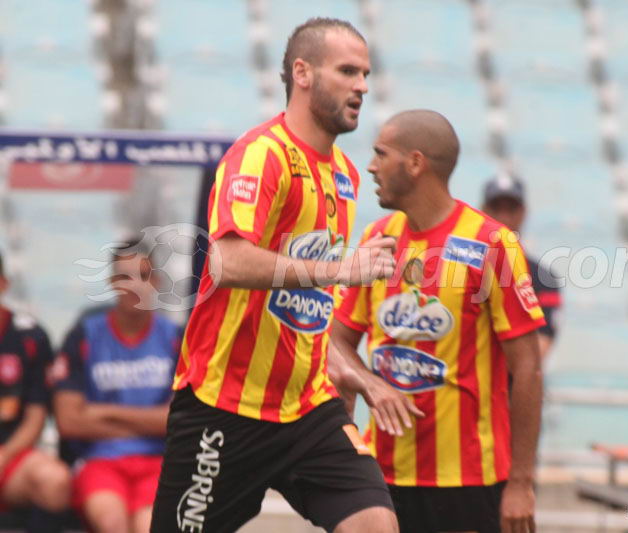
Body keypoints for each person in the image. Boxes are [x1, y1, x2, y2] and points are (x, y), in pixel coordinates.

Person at [150, 18, 399, 533]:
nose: (363, 86)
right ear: (302, 73)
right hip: (223, 409)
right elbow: (228, 261)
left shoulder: (346, 176)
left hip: (308, 409)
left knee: (375, 525)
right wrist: (341, 268)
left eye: (366, 74)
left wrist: (349, 371)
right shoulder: (262, 155)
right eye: (348, 71)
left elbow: (304, 308)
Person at [332, 110, 546, 533]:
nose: (371, 166)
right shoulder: (378, 237)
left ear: (415, 163)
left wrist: (521, 483)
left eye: (381, 154)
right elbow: (336, 341)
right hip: (381, 478)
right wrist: (364, 395)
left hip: (468, 482)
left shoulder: (490, 245)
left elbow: (528, 368)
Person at [52, 240, 181, 533]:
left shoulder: (176, 338)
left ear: (156, 281)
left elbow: (176, 420)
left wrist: (101, 412)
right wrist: (148, 422)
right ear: (112, 282)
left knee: (148, 526)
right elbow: (69, 421)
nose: (134, 285)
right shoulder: (84, 335)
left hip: (158, 464)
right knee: (112, 524)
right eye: (125, 276)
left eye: (144, 275)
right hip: (100, 462)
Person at [0, 250, 71, 514]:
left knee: (54, 481)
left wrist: (4, 456)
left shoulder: (29, 337)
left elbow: (36, 417)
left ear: (3, 283)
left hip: (11, 456)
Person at [482, 175, 561, 359]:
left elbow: (541, 345)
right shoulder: (463, 266)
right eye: (496, 208)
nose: (503, 217)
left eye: (511, 209)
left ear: (523, 212)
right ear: (483, 210)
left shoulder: (543, 277)